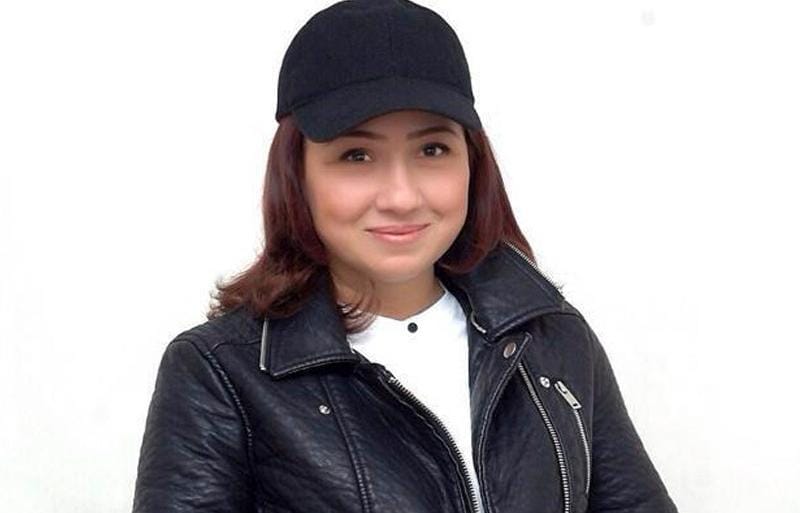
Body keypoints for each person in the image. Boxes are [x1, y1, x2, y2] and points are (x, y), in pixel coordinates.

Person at [131, 1, 679, 512]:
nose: (401, 196)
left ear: (473, 164)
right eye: (357, 155)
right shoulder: (220, 373)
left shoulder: (552, 338)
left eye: (432, 149)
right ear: (297, 175)